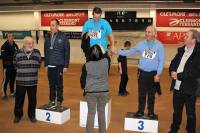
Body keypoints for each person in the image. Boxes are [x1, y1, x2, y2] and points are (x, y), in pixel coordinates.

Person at [114, 25, 164, 119]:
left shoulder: (159, 45)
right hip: (142, 73)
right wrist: (118, 52)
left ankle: (151, 112)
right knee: (142, 93)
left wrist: (158, 73)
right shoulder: (142, 44)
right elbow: (130, 52)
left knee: (151, 94)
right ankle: (140, 111)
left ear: (154, 33)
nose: (146, 33)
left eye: (149, 32)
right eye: (146, 32)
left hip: (153, 74)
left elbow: (161, 61)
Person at [168, 29, 200, 133]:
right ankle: (174, 129)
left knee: (190, 113)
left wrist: (179, 76)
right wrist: (172, 71)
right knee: (176, 111)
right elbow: (173, 63)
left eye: (187, 36)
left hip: (190, 89)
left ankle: (190, 130)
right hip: (177, 87)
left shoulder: (198, 53)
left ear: (193, 40)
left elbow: (195, 71)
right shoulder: (181, 50)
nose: (184, 37)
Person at [80, 44, 109, 133]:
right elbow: (105, 55)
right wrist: (100, 46)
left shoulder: (86, 65)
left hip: (91, 92)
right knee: (101, 112)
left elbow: (82, 81)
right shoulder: (106, 62)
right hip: (104, 91)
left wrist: (84, 88)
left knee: (91, 113)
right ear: (100, 53)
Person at [13, 36, 41, 123]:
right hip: (21, 81)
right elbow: (15, 65)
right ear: (24, 44)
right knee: (19, 100)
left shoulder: (37, 52)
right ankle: (18, 115)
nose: (31, 45)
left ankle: (32, 115)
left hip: (33, 81)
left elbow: (39, 64)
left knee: (32, 100)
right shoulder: (17, 52)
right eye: (29, 43)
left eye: (32, 43)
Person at [44, 19, 70, 111]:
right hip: (50, 65)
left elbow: (67, 51)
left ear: (58, 26)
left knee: (59, 84)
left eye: (53, 25)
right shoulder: (47, 36)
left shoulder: (63, 36)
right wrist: (46, 64)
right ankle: (51, 100)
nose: (51, 27)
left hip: (59, 65)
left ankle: (59, 101)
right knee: (51, 84)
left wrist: (66, 65)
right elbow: (46, 51)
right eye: (50, 25)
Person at [1, 32, 18, 99]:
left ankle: (12, 92)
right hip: (7, 67)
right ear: (7, 37)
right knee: (6, 80)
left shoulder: (15, 45)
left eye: (12, 36)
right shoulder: (4, 46)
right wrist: (12, 60)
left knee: (12, 80)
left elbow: (17, 54)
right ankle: (4, 93)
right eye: (9, 36)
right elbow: (4, 56)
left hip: (14, 67)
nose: (11, 37)